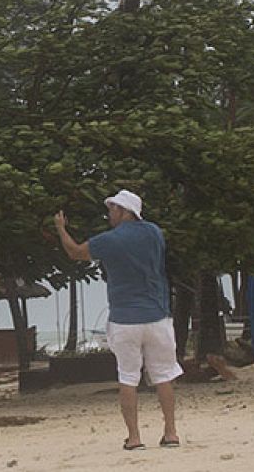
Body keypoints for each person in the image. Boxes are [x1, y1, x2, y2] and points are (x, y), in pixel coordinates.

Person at [56, 189, 181, 450]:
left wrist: (61, 228)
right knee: (163, 376)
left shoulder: (109, 240)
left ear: (124, 211)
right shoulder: (155, 233)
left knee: (128, 378)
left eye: (112, 208)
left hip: (125, 318)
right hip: (157, 316)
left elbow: (75, 252)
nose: (109, 213)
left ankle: (134, 438)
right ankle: (171, 434)